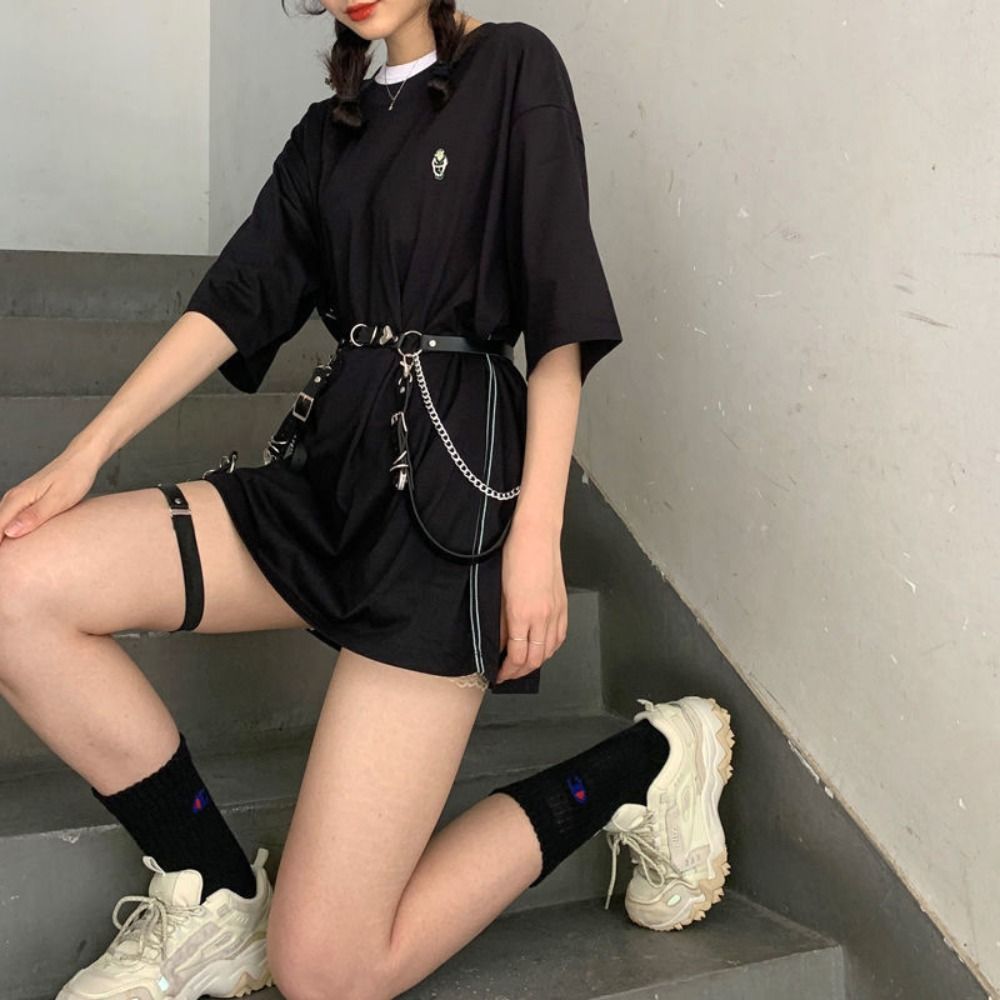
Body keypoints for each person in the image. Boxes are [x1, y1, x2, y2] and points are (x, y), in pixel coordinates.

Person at [0, 3, 735, 998]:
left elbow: (557, 322)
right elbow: (235, 298)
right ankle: (214, 893)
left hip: (448, 505)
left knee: (326, 970)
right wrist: (86, 452)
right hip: (329, 476)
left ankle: (646, 762)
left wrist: (536, 532)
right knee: (16, 587)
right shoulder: (331, 131)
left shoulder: (512, 67)